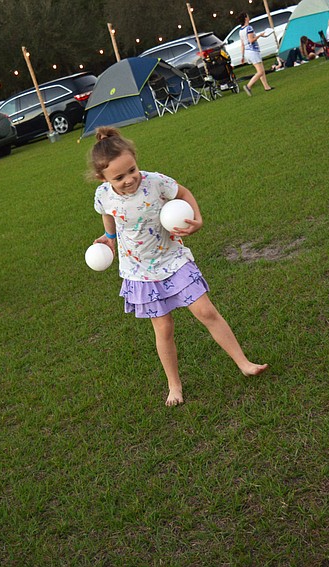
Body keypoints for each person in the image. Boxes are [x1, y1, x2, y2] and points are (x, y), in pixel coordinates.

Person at [88, 127, 268, 406]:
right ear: (103, 178)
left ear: (136, 160)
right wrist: (109, 238)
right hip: (141, 271)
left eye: (132, 170)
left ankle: (243, 363)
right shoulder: (103, 195)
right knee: (164, 329)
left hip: (173, 259)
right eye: (119, 177)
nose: (129, 180)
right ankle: (174, 385)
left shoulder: (155, 181)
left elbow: (183, 192)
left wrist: (197, 217)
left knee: (206, 311)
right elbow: (108, 216)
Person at [237, 12, 273, 96]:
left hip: (247, 51)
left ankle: (266, 86)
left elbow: (242, 44)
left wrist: (242, 56)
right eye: (248, 16)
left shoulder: (241, 30)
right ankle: (248, 86)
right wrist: (260, 35)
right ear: (245, 18)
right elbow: (251, 40)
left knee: (261, 69)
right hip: (252, 51)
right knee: (260, 71)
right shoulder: (249, 28)